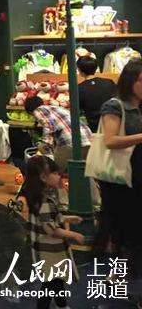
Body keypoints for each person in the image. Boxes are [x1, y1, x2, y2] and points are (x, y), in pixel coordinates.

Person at [97, 59, 142, 279]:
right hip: (121, 176)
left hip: (137, 172)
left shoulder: (139, 107)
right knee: (124, 225)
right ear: (130, 81)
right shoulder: (115, 106)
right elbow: (110, 140)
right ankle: (117, 272)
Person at [22, 155, 84, 309]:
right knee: (51, 283)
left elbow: (49, 219)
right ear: (43, 177)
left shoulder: (41, 198)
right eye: (55, 173)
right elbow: (51, 229)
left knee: (56, 280)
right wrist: (74, 235)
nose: (59, 177)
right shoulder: (45, 202)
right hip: (49, 251)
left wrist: (68, 219)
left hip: (47, 249)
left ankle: (62, 305)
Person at [25, 96, 92, 170]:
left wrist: (44, 144)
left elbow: (48, 125)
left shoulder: (38, 110)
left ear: (30, 112)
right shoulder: (57, 108)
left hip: (71, 142)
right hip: (88, 140)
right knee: (82, 171)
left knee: (57, 170)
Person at [76, 55, 116, 132]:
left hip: (94, 126)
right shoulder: (109, 82)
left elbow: (77, 108)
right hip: (114, 121)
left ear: (80, 70)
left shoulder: (79, 88)